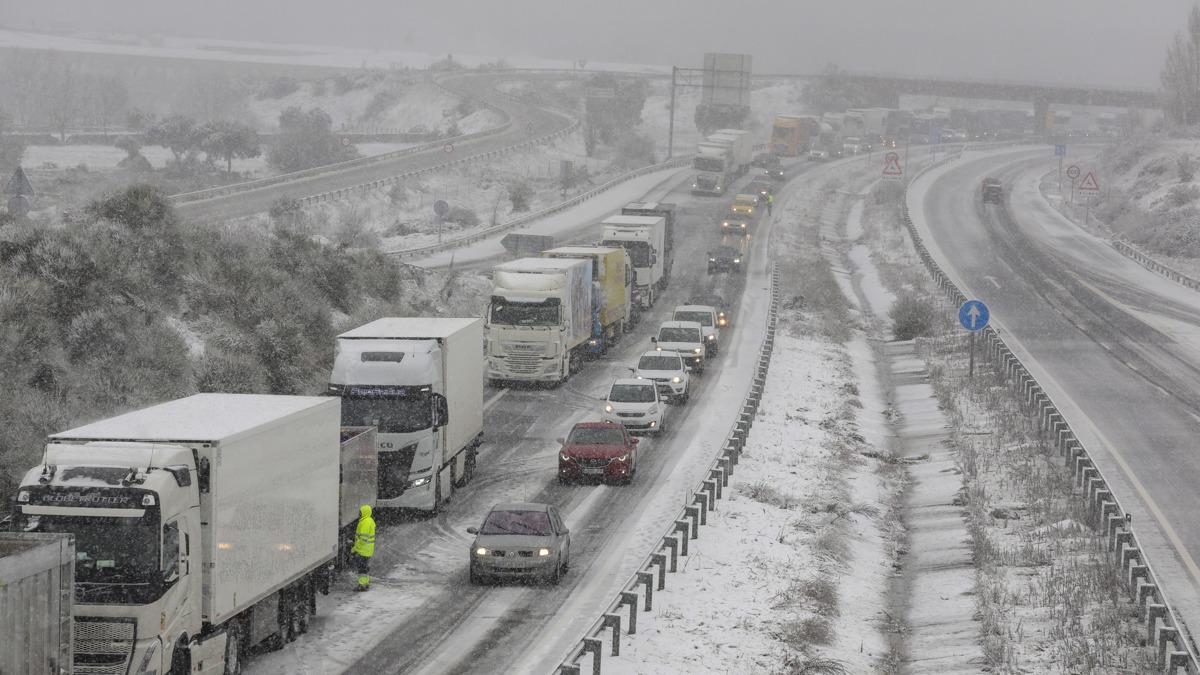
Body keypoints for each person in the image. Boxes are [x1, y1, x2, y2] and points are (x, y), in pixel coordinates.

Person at [351, 504, 376, 592]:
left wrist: (355, 548)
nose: (359, 514)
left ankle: (362, 585)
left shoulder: (365, 522)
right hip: (368, 550)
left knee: (362, 568)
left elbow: (363, 538)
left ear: (364, 512)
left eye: (360, 512)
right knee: (364, 567)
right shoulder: (369, 520)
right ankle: (365, 583)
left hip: (363, 550)